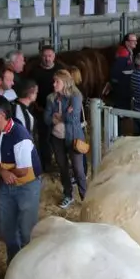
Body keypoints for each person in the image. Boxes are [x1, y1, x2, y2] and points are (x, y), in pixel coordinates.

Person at [0, 95, 43, 264]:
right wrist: (2, 173)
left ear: (1, 116)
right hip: (6, 186)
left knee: (26, 231)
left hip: (27, 186)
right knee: (8, 230)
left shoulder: (19, 134)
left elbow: (22, 171)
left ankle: (30, 268)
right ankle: (14, 265)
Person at [43, 70, 88, 210]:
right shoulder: (51, 98)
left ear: (65, 83)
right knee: (62, 167)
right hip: (57, 138)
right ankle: (68, 195)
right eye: (54, 81)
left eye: (57, 81)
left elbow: (73, 118)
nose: (54, 84)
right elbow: (46, 118)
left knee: (78, 169)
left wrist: (58, 117)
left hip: (73, 137)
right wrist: (63, 115)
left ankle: (85, 197)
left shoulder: (75, 96)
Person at [30, 46, 62, 173]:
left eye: (50, 56)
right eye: (45, 56)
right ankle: (46, 163)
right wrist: (37, 106)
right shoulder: (35, 72)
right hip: (41, 110)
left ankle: (60, 162)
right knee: (44, 137)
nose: (47, 59)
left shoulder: (60, 70)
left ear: (54, 56)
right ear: (41, 57)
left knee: (59, 137)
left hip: (59, 111)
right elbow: (30, 91)